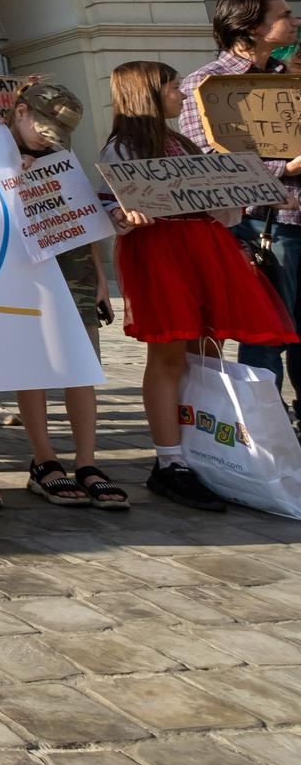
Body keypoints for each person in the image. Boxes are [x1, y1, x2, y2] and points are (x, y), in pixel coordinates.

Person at [105, 60, 297, 510]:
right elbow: (120, 207)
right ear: (148, 93)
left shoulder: (182, 141)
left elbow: (217, 200)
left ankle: (196, 448)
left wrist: (247, 186)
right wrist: (126, 215)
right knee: (169, 354)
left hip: (203, 248)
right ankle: (169, 460)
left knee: (201, 353)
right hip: (164, 252)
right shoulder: (124, 147)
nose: (181, 95)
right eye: (173, 88)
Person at [176, 0, 301, 409]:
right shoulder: (207, 85)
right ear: (250, 27)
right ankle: (267, 424)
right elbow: (210, 162)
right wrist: (285, 169)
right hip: (263, 225)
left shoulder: (289, 79)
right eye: (283, 14)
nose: (294, 20)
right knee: (267, 332)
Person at [3, 81, 127, 509]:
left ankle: (88, 461)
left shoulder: (60, 156)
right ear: (20, 111)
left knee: (83, 365)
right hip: (21, 269)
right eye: (42, 126)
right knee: (33, 367)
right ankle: (44, 459)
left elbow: (81, 214)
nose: (46, 137)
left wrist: (98, 277)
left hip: (70, 266)